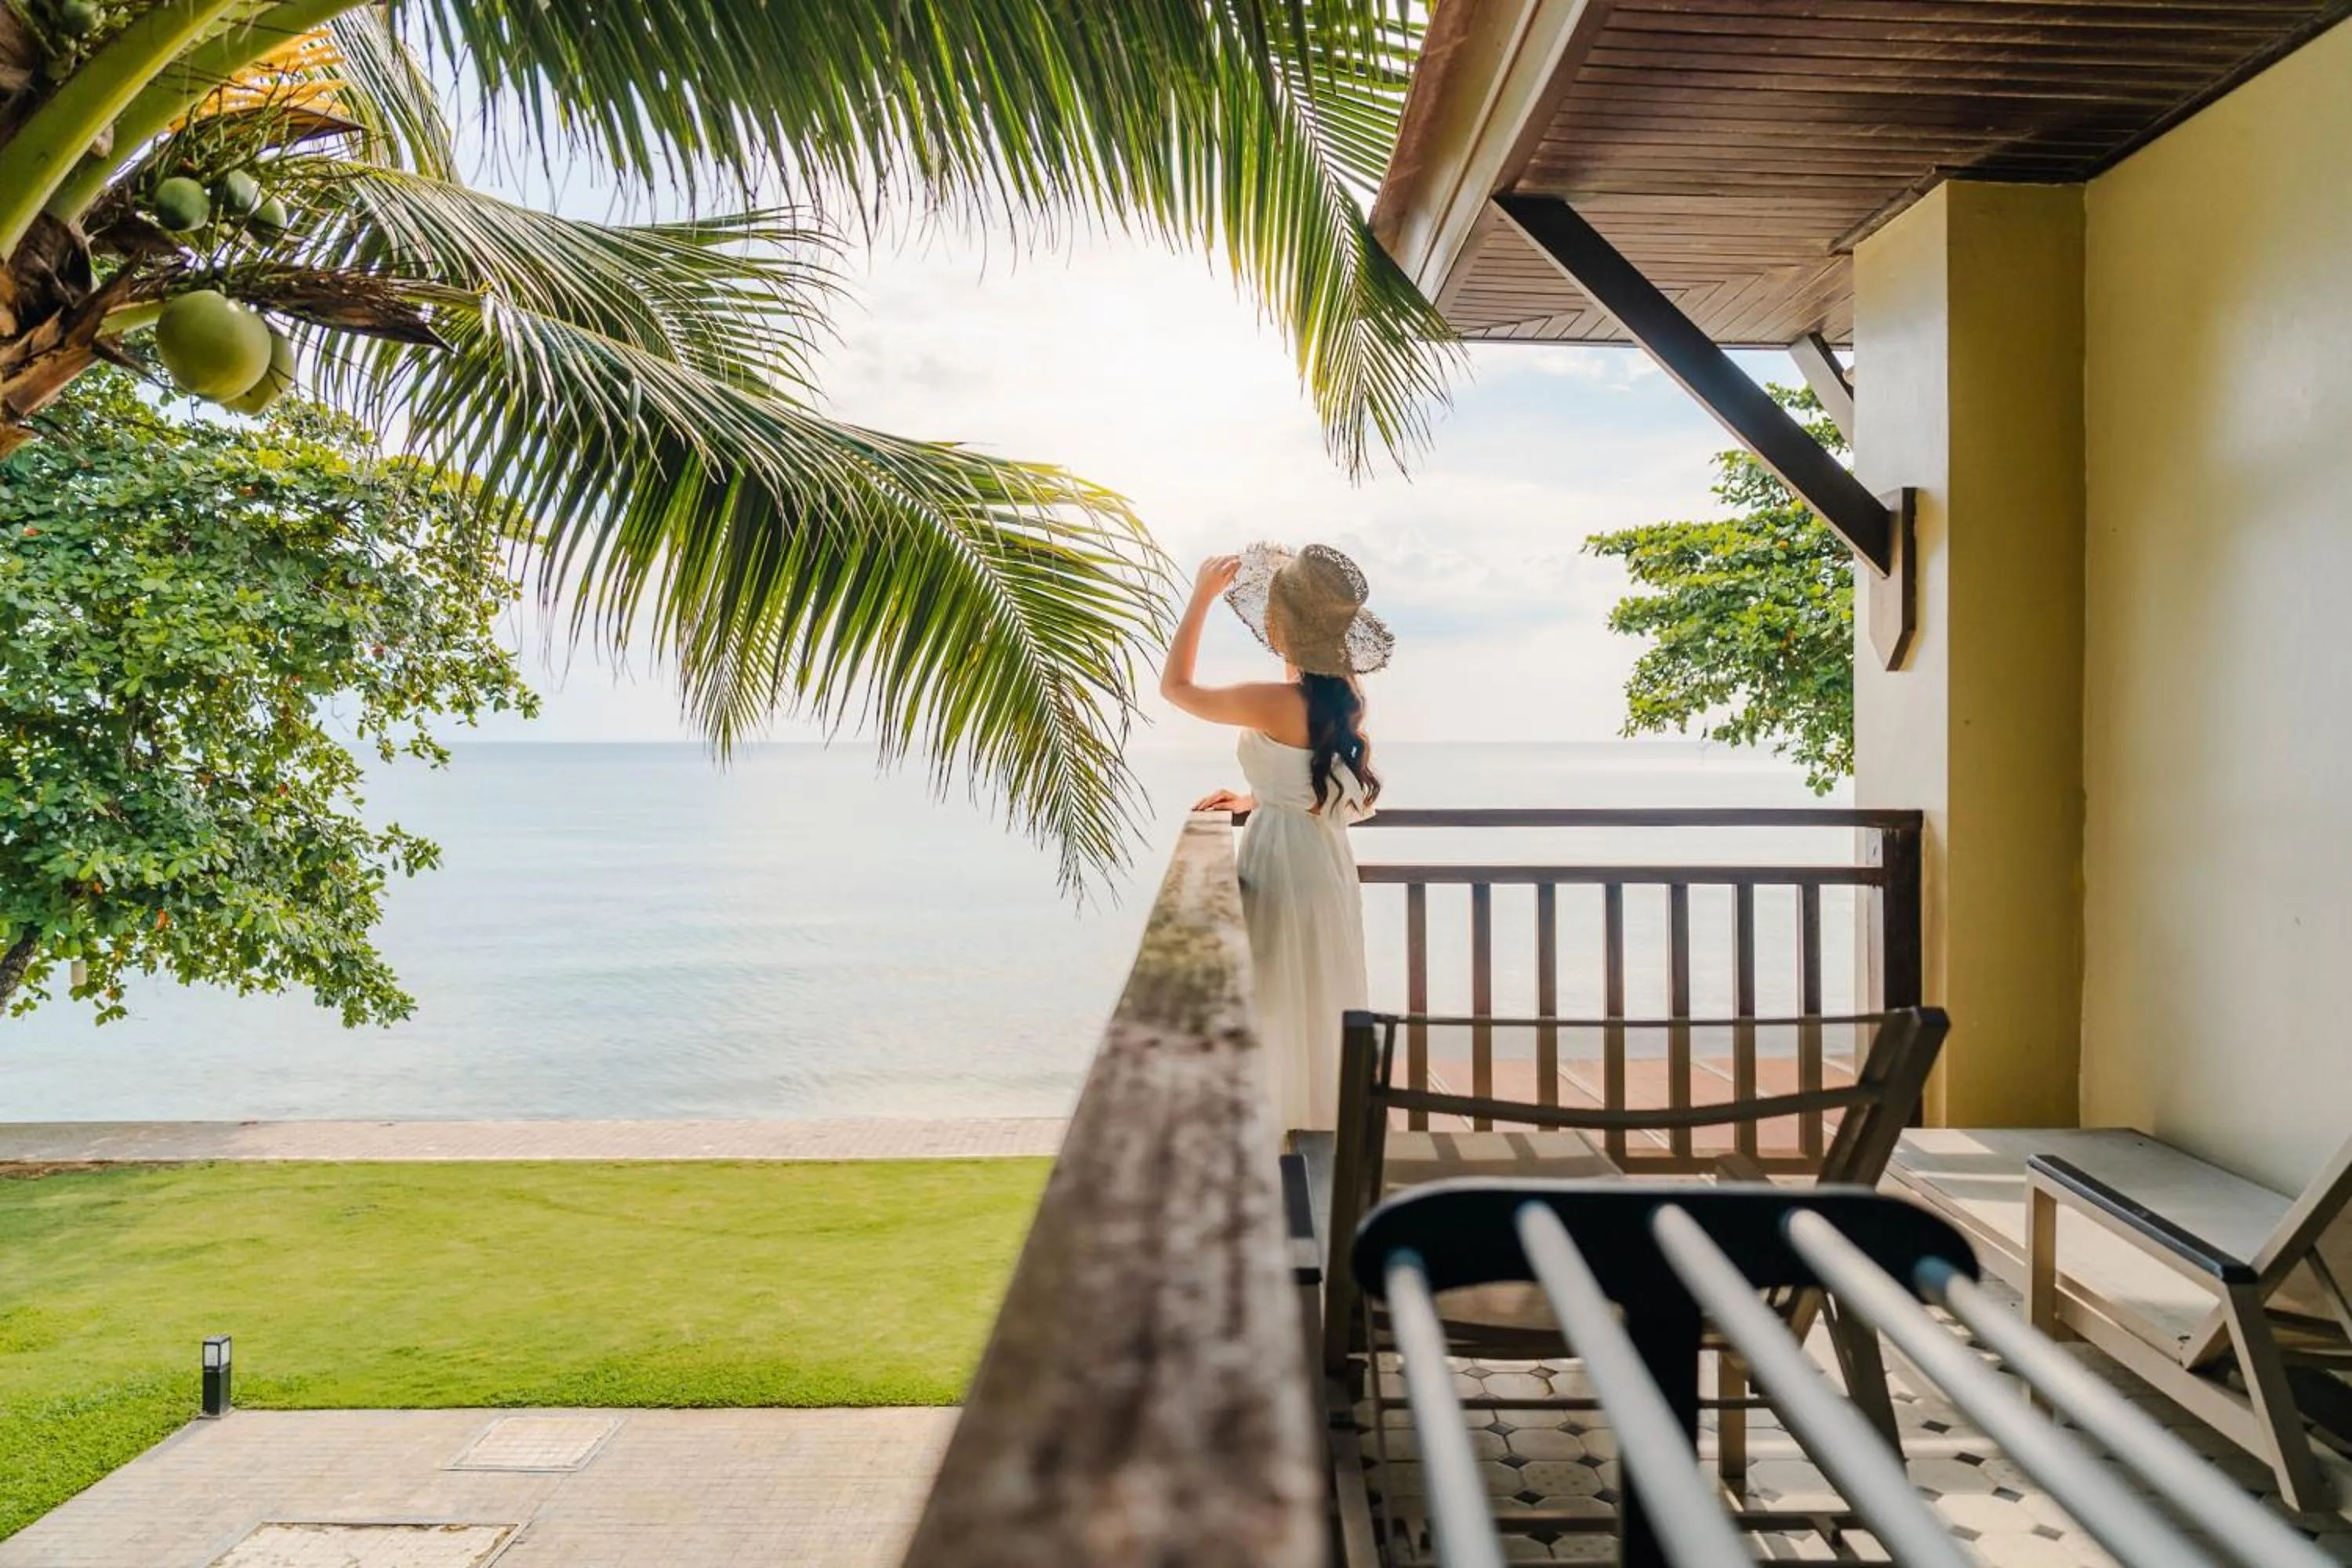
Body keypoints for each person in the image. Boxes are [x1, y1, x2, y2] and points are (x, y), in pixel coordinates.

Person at [1160, 543, 1391, 1134]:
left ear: (1282, 625)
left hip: (1283, 863)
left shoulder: (1274, 701)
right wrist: (1255, 798)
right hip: (1325, 862)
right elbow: (1310, 778)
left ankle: (1272, 1134)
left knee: (1276, 993)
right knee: (1318, 990)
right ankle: (1319, 1128)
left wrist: (1200, 600)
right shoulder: (1340, 700)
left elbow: (1177, 689)